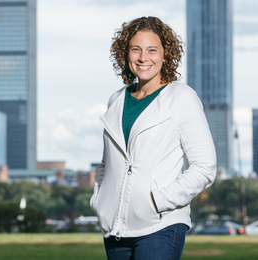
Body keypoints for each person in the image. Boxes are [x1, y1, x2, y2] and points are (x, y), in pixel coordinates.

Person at [90, 16, 217, 260]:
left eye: (152, 50)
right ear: (125, 53)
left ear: (165, 54)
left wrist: (159, 201)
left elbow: (205, 167)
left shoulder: (181, 98)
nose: (142, 57)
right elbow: (107, 164)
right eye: (135, 49)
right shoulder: (116, 100)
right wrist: (100, 201)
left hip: (161, 225)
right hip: (115, 229)